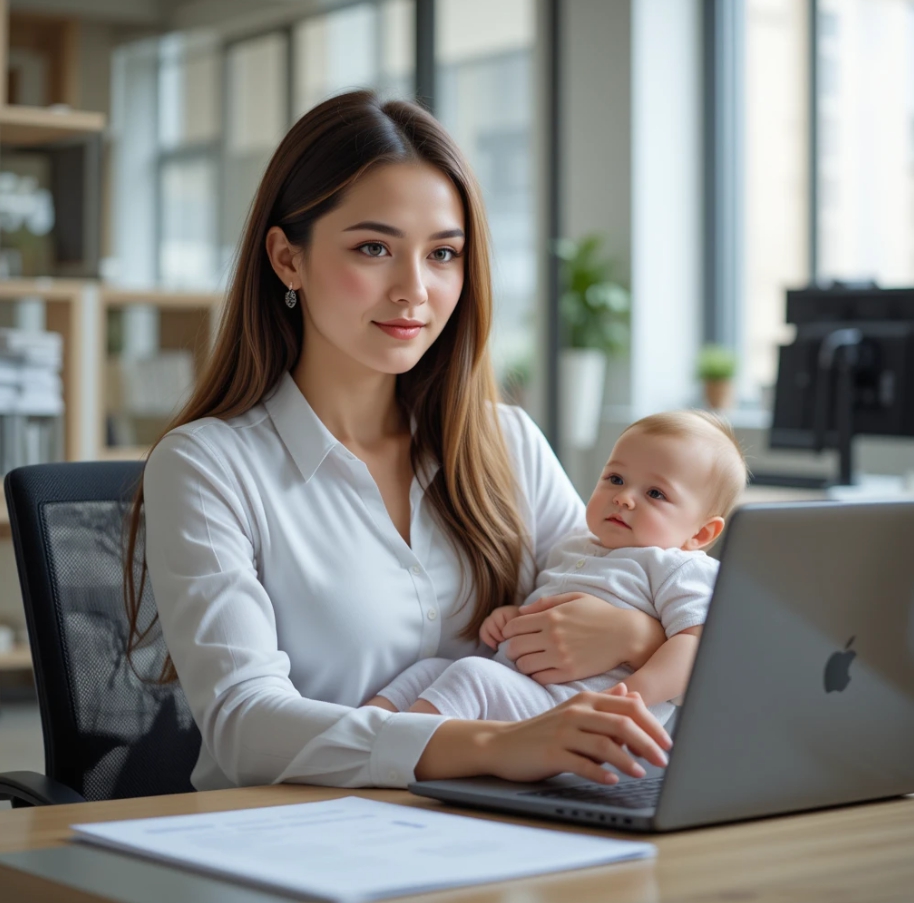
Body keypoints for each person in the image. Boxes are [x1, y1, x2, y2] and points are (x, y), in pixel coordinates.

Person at [126, 90, 672, 794]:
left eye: (443, 253)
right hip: (288, 841)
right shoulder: (208, 465)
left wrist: (639, 639)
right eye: (374, 248)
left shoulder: (504, 441)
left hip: (500, 828)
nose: (415, 290)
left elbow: (622, 590)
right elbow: (244, 722)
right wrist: (497, 743)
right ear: (287, 259)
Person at [367, 410, 748, 727]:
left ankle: (405, 761)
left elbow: (701, 646)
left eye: (655, 494)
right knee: (430, 670)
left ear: (701, 533)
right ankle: (362, 736)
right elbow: (548, 608)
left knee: (471, 677)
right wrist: (512, 619)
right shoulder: (574, 546)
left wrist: (632, 695)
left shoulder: (678, 568)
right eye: (615, 478)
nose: (624, 498)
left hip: (579, 710)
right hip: (527, 691)